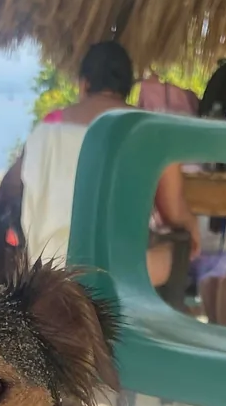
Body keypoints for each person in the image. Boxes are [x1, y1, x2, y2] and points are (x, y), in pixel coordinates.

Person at [10, 41, 200, 285]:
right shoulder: (150, 132)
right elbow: (174, 213)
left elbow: (16, 188)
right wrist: (192, 228)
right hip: (118, 278)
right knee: (179, 248)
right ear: (128, 88)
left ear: (84, 83)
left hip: (47, 277)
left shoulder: (45, 130)